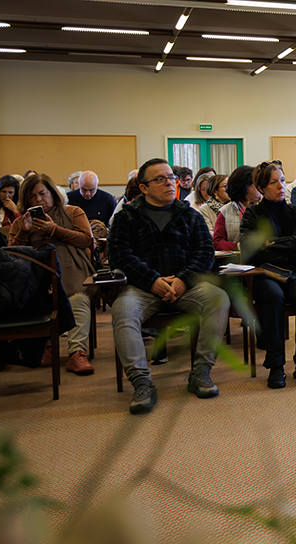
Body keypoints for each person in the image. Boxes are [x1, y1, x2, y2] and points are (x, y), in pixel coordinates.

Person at [108, 158, 229, 414]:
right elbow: (119, 254)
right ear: (143, 187)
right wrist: (152, 280)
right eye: (160, 179)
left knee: (218, 298)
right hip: (143, 288)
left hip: (185, 285)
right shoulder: (127, 216)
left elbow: (205, 252)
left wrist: (185, 279)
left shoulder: (189, 214)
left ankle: (201, 373)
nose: (169, 183)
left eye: (171, 177)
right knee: (122, 310)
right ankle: (142, 382)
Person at [8, 174, 96, 374]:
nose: (39, 200)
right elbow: (12, 256)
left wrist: (54, 229)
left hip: (73, 273)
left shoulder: (73, 212)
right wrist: (24, 232)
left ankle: (77, 353)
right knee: (39, 300)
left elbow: (85, 240)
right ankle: (46, 348)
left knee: (79, 299)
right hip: (37, 281)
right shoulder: (21, 222)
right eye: (32, 196)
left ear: (52, 193)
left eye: (42, 193)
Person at [239, 161, 296, 389]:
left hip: (295, 272)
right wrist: (287, 244)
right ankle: (275, 365)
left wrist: (271, 242)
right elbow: (250, 247)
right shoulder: (252, 213)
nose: (281, 186)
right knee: (273, 297)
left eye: (282, 180)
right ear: (261, 188)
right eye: (274, 182)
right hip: (265, 273)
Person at [213, 166, 260, 251]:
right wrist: (238, 246)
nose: (260, 187)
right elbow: (217, 242)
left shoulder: (264, 207)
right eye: (255, 184)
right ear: (244, 187)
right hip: (236, 260)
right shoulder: (225, 211)